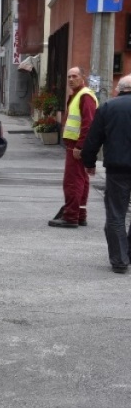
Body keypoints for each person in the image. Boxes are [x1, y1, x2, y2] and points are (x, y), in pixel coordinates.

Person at [81, 75, 131, 273]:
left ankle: (119, 260)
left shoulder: (109, 107)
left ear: (119, 89)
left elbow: (94, 138)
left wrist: (89, 162)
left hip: (117, 168)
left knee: (116, 214)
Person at [50, 66, 97, 228]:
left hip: (76, 146)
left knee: (72, 182)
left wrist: (80, 146)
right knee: (82, 180)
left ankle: (70, 216)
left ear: (82, 77)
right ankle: (80, 214)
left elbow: (88, 124)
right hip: (76, 145)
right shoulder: (79, 95)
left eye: (74, 76)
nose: (71, 79)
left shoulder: (85, 96)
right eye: (69, 76)